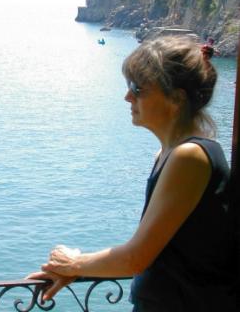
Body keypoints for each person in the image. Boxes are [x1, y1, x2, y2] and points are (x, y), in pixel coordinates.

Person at [27, 36, 237, 311]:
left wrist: (73, 263)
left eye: (138, 88)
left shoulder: (190, 157)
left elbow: (137, 257)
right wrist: (80, 268)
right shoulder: (171, 155)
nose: (128, 96)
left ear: (176, 98)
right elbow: (167, 252)